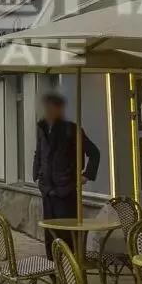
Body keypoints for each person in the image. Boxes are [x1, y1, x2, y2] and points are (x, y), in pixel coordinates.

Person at [33, 92, 100, 260]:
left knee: (67, 235)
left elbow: (94, 153)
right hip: (47, 191)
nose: (46, 111)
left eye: (50, 108)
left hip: (66, 191)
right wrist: (36, 174)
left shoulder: (72, 130)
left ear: (58, 109)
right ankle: (54, 268)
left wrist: (86, 175)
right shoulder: (42, 129)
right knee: (50, 235)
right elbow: (39, 153)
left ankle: (70, 271)